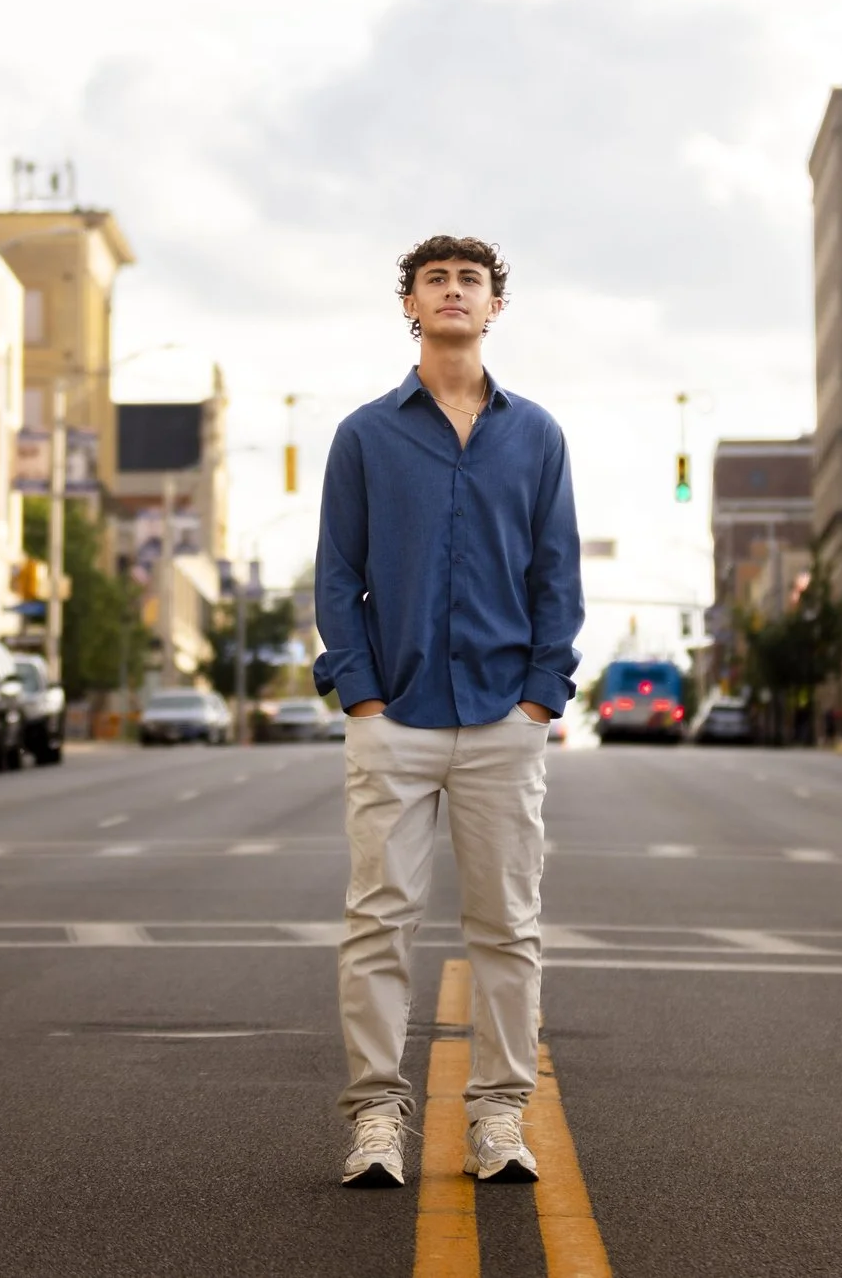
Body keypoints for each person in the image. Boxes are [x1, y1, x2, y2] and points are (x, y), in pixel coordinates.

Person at [315, 235, 583, 1191]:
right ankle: (376, 1119)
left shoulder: (537, 435)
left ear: (494, 306)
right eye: (437, 280)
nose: (455, 292)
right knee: (379, 922)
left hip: (504, 720)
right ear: (412, 306)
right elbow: (339, 574)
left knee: (507, 926)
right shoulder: (364, 435)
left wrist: (540, 696)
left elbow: (557, 574)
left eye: (471, 280)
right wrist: (365, 696)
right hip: (397, 716)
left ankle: (499, 1117)